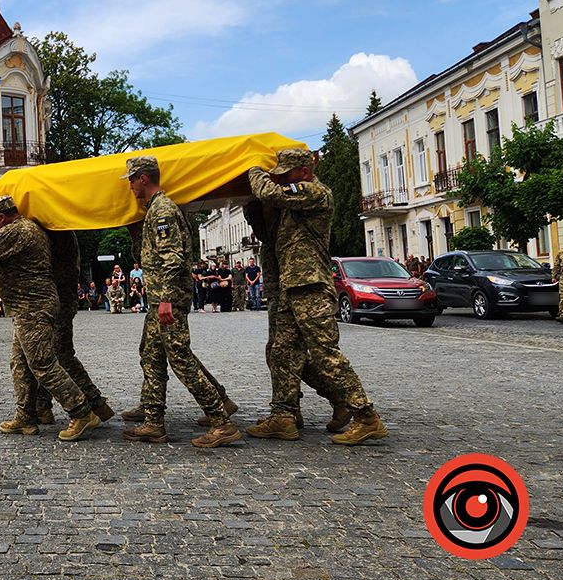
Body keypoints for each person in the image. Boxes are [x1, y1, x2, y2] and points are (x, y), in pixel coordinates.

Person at [246, 148, 387, 445]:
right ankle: (283, 416)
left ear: (305, 172)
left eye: (286, 175)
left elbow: (269, 192)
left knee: (324, 353)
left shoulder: (314, 192)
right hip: (290, 285)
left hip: (310, 285)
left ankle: (366, 416)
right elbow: (268, 231)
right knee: (281, 351)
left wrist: (253, 169)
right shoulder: (292, 203)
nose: (282, 179)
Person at [121, 156, 241, 448]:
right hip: (159, 300)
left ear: (143, 178)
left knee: (180, 359)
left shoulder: (162, 211)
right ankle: (153, 420)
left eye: (131, 180)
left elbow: (172, 259)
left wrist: (166, 299)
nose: (130, 186)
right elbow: (152, 256)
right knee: (150, 354)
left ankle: (221, 421)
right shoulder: (154, 210)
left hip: (168, 300)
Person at [0, 195, 102, 442]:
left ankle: (81, 411)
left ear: (1, 217)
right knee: (20, 364)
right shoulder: (25, 229)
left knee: (43, 364)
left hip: (33, 308)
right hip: (26, 309)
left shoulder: (18, 230)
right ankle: (25, 417)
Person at [243, 199, 349, 434]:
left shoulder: (287, 204)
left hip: (293, 289)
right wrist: (252, 209)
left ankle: (338, 397)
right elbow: (264, 234)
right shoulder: (269, 217)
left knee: (288, 352)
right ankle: (290, 410)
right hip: (278, 289)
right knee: (279, 352)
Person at [32, 229, 115, 426]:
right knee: (50, 355)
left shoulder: (58, 234)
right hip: (59, 302)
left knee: (60, 356)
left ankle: (95, 402)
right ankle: (42, 406)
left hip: (58, 303)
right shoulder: (61, 232)